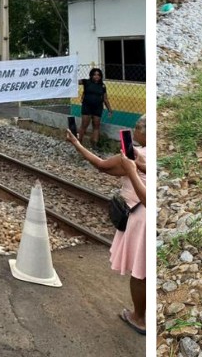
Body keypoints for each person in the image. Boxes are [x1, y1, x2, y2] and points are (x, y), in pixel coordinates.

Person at [66, 114, 146, 336]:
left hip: (142, 220)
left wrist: (76, 143)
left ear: (141, 132)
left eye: (136, 129)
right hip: (145, 218)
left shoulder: (132, 157)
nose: (134, 132)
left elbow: (100, 165)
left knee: (140, 273)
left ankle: (139, 318)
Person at [77, 67, 113, 147]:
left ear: (100, 76)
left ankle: (94, 144)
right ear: (91, 75)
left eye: (98, 75)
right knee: (84, 125)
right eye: (94, 75)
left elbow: (105, 99)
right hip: (87, 106)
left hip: (98, 108)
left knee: (96, 126)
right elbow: (74, 82)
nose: (96, 76)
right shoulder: (86, 82)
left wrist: (110, 109)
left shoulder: (103, 86)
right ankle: (78, 142)